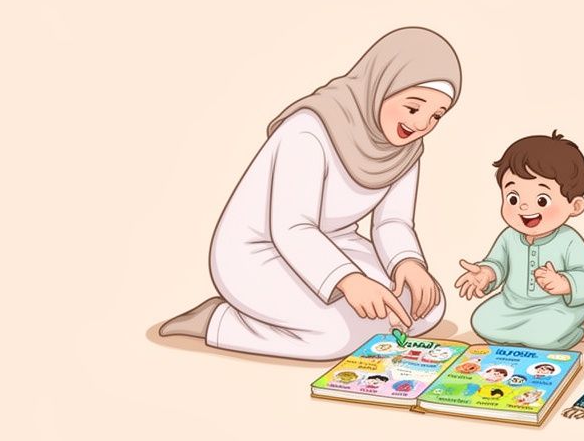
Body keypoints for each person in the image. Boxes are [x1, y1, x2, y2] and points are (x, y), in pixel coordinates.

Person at [160, 28, 462, 360]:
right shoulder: (309, 129)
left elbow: (391, 220)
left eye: (436, 115)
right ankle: (217, 321)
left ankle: (319, 314)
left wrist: (408, 262)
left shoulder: (406, 149)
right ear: (381, 85)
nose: (420, 125)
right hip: (257, 251)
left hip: (334, 243)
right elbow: (291, 227)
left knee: (425, 309)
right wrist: (348, 279)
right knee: (335, 337)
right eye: (413, 107)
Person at [455, 131, 584, 350]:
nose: (524, 207)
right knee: (482, 323)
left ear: (575, 206)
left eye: (542, 200)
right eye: (513, 198)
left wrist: (565, 283)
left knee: (543, 341)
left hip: (558, 307)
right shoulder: (509, 236)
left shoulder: (569, 239)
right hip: (512, 305)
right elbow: (498, 262)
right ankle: (526, 331)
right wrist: (487, 273)